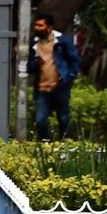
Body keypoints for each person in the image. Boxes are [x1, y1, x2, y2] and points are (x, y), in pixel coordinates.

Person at [28, 12, 81, 140]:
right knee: (40, 121)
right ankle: (47, 145)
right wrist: (35, 63)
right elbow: (29, 68)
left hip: (60, 86)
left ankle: (65, 146)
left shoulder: (62, 41)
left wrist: (69, 77)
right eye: (36, 25)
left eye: (40, 25)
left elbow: (75, 60)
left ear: (49, 27)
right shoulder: (34, 43)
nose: (37, 28)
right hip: (42, 89)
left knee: (63, 119)